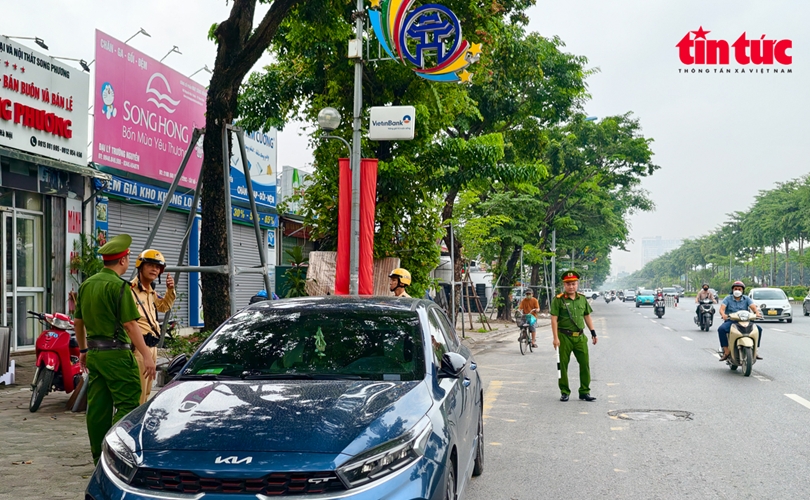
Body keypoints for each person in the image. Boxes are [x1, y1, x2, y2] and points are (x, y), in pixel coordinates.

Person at [73, 234, 156, 464]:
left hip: (94, 354)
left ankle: (98, 458)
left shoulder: (86, 285)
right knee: (129, 405)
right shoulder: (119, 286)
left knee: (98, 408)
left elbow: (78, 322)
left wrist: (83, 351)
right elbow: (130, 325)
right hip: (117, 355)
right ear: (123, 260)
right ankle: (115, 454)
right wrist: (147, 355)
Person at [130, 249, 176, 404]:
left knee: (147, 390)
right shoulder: (131, 291)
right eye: (150, 265)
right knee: (139, 391)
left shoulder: (151, 292)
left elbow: (163, 307)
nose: (154, 269)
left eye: (158, 267)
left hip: (152, 347)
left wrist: (170, 290)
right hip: (139, 348)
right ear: (140, 266)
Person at [550, 271, 598, 402]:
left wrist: (593, 333)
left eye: (573, 284)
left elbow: (587, 316)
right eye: (568, 284)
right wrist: (555, 338)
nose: (571, 286)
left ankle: (584, 391)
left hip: (580, 337)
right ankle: (564, 391)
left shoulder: (582, 299)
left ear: (577, 284)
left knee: (585, 364)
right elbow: (554, 319)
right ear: (564, 285)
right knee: (563, 365)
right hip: (564, 336)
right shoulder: (558, 300)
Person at [718, 280, 763, 361]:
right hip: (731, 321)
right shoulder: (727, 298)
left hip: (745, 321)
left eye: (739, 289)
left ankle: (755, 351)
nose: (737, 291)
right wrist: (723, 315)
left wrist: (757, 313)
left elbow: (753, 308)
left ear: (742, 290)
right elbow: (722, 309)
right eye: (735, 289)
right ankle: (726, 351)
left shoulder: (747, 298)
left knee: (759, 329)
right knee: (721, 329)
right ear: (732, 290)